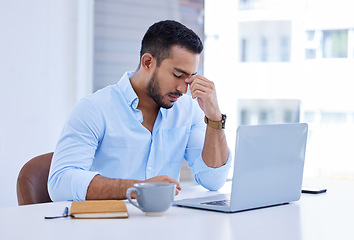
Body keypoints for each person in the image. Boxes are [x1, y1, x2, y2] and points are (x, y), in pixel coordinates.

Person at [48, 20, 231, 201]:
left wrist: (214, 117)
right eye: (177, 75)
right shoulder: (94, 109)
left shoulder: (189, 110)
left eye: (190, 78)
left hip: (164, 225)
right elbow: (60, 182)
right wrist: (138, 189)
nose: (183, 89)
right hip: (106, 226)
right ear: (148, 62)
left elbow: (213, 180)